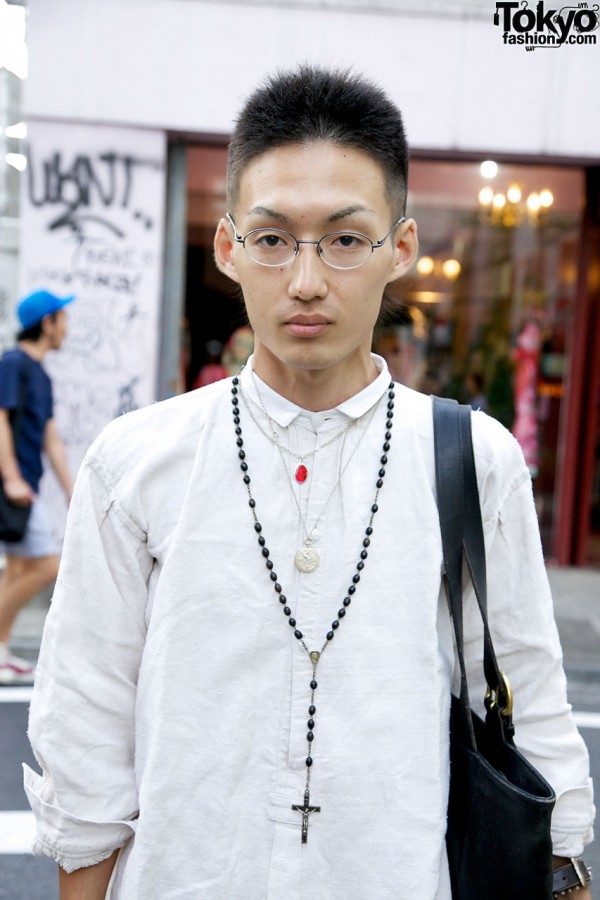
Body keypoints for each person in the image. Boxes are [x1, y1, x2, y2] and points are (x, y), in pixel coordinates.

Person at [25, 67, 594, 899]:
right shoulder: (136, 460)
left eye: (343, 238)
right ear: (229, 247)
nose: (306, 279)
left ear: (399, 248)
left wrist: (568, 868)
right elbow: (87, 718)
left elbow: (530, 691)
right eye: (273, 238)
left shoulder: (476, 456)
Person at [0, 289, 74, 684]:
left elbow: (50, 438)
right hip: (14, 486)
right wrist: (11, 476)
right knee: (47, 565)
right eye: (62, 319)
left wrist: (71, 488)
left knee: (18, 570)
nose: (66, 328)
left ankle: (2, 651)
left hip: (26, 485)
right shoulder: (13, 364)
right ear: (47, 323)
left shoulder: (41, 374)